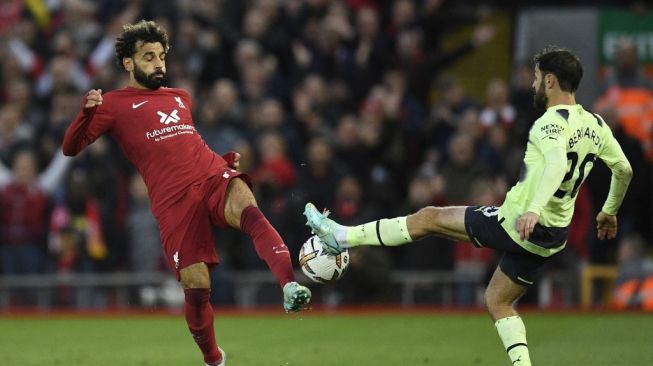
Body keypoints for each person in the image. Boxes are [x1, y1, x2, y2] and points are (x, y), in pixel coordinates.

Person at [304, 46, 633, 366]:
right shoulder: (597, 125)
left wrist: (533, 208)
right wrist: (610, 210)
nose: (533, 85)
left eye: (535, 78)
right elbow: (624, 169)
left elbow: (557, 164)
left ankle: (341, 237)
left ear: (549, 81)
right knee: (497, 300)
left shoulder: (550, 123)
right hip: (551, 236)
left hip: (518, 222)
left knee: (429, 218)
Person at [62, 20, 310, 366]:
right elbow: (70, 148)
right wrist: (85, 113)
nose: (158, 63)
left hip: (210, 175)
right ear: (128, 63)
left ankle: (288, 285)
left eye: (161, 56)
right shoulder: (113, 104)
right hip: (173, 202)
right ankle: (214, 359)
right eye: (148, 57)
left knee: (248, 205)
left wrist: (222, 162)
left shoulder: (181, 97)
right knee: (196, 288)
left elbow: (186, 145)